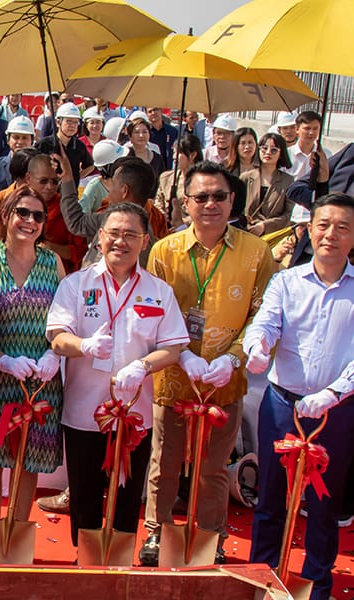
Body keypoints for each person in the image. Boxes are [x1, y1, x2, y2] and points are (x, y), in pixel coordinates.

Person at [140, 161, 276, 566]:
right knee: (164, 461)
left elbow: (262, 314)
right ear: (186, 203)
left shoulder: (257, 252)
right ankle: (156, 533)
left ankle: (209, 535)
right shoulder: (165, 251)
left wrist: (234, 359)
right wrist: (180, 353)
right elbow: (151, 311)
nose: (211, 204)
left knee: (214, 467)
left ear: (233, 200)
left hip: (224, 381)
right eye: (201, 197)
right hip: (174, 378)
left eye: (219, 196)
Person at [46, 201, 188, 554]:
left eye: (130, 235)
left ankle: (120, 571)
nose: (120, 242)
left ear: (144, 241)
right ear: (99, 237)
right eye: (113, 233)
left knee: (127, 501)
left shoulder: (159, 291)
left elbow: (172, 347)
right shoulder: (76, 285)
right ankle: (88, 567)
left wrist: (142, 366)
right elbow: (57, 337)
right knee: (84, 499)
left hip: (135, 416)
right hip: (83, 413)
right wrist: (85, 345)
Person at [244, 192, 354, 600]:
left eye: (343, 227)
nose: (331, 235)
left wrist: (333, 393)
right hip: (282, 404)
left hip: (335, 411)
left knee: (325, 504)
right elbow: (265, 324)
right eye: (324, 225)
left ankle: (315, 585)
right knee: (271, 496)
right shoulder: (286, 281)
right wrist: (257, 347)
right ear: (309, 229)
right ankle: (262, 576)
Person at [0, 185, 65, 540]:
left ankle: (18, 537)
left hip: (40, 381)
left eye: (38, 216)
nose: (29, 221)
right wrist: (1, 359)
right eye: (22, 213)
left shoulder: (51, 262)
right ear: (5, 215)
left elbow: (63, 318)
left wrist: (53, 352)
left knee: (29, 461)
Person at [59, 152, 165, 267]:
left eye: (113, 184)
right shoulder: (108, 216)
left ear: (124, 191)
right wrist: (67, 177)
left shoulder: (142, 234)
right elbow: (77, 222)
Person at [25, 154, 86, 273]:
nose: (49, 187)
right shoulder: (15, 206)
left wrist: (51, 247)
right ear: (28, 178)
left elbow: (79, 250)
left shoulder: (67, 209)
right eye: (43, 181)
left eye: (54, 181)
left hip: (57, 276)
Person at [241, 133, 294, 237]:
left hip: (274, 236)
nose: (268, 152)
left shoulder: (288, 180)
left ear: (281, 153)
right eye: (264, 148)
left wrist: (265, 226)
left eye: (274, 150)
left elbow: (289, 214)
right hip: (246, 233)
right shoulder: (246, 177)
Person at [37, 103, 96, 182]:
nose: (72, 125)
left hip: (71, 192)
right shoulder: (43, 144)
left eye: (75, 122)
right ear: (58, 122)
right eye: (68, 121)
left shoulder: (79, 145)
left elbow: (90, 166)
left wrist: (76, 177)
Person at [154, 134, 203, 229]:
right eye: (173, 152)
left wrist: (182, 222)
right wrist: (164, 218)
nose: (174, 157)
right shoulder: (166, 178)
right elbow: (158, 202)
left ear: (193, 155)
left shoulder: (203, 181)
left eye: (179, 153)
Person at [0, 116, 35, 199]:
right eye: (16, 137)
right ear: (8, 140)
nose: (20, 142)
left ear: (32, 140)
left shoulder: (38, 166)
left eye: (24, 138)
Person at [79, 139, 127, 215]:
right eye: (120, 162)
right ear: (108, 167)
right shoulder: (95, 186)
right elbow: (83, 213)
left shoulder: (127, 182)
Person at [286, 111, 327, 181]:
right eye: (307, 128)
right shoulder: (287, 154)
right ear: (297, 129)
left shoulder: (325, 155)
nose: (311, 133)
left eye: (315, 128)